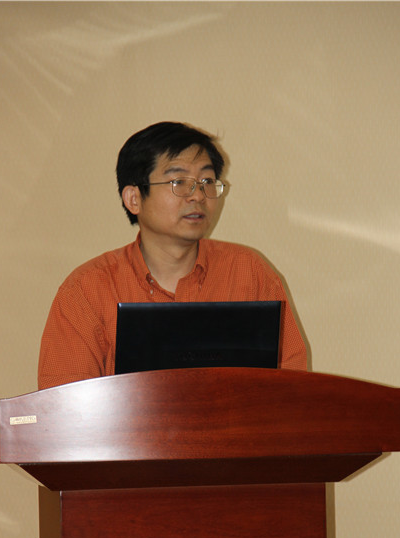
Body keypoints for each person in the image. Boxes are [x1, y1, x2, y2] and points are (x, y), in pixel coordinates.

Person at [38, 122, 307, 389]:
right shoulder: (87, 291)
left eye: (207, 182)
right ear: (134, 199)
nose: (198, 196)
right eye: (179, 182)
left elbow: (293, 391)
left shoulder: (250, 273)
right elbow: (65, 406)